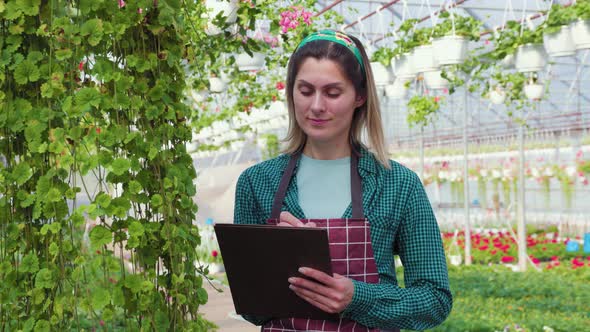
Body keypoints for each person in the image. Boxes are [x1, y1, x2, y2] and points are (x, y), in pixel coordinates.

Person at [233, 29, 452, 331]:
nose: (317, 106)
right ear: (291, 92)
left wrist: (357, 297)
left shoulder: (397, 184)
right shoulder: (258, 183)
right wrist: (275, 266)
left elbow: (434, 299)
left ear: (359, 96)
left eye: (333, 93)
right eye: (305, 91)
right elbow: (252, 309)